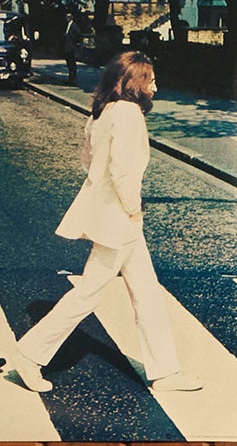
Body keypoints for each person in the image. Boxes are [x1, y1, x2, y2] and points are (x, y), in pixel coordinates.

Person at [2, 53, 198, 397]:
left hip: (115, 217)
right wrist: (133, 209)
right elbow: (123, 171)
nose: (156, 86)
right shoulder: (128, 115)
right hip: (120, 220)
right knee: (89, 293)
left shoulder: (105, 111)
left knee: (147, 293)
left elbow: (88, 159)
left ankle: (165, 372)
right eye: (150, 79)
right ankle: (30, 354)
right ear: (136, 83)